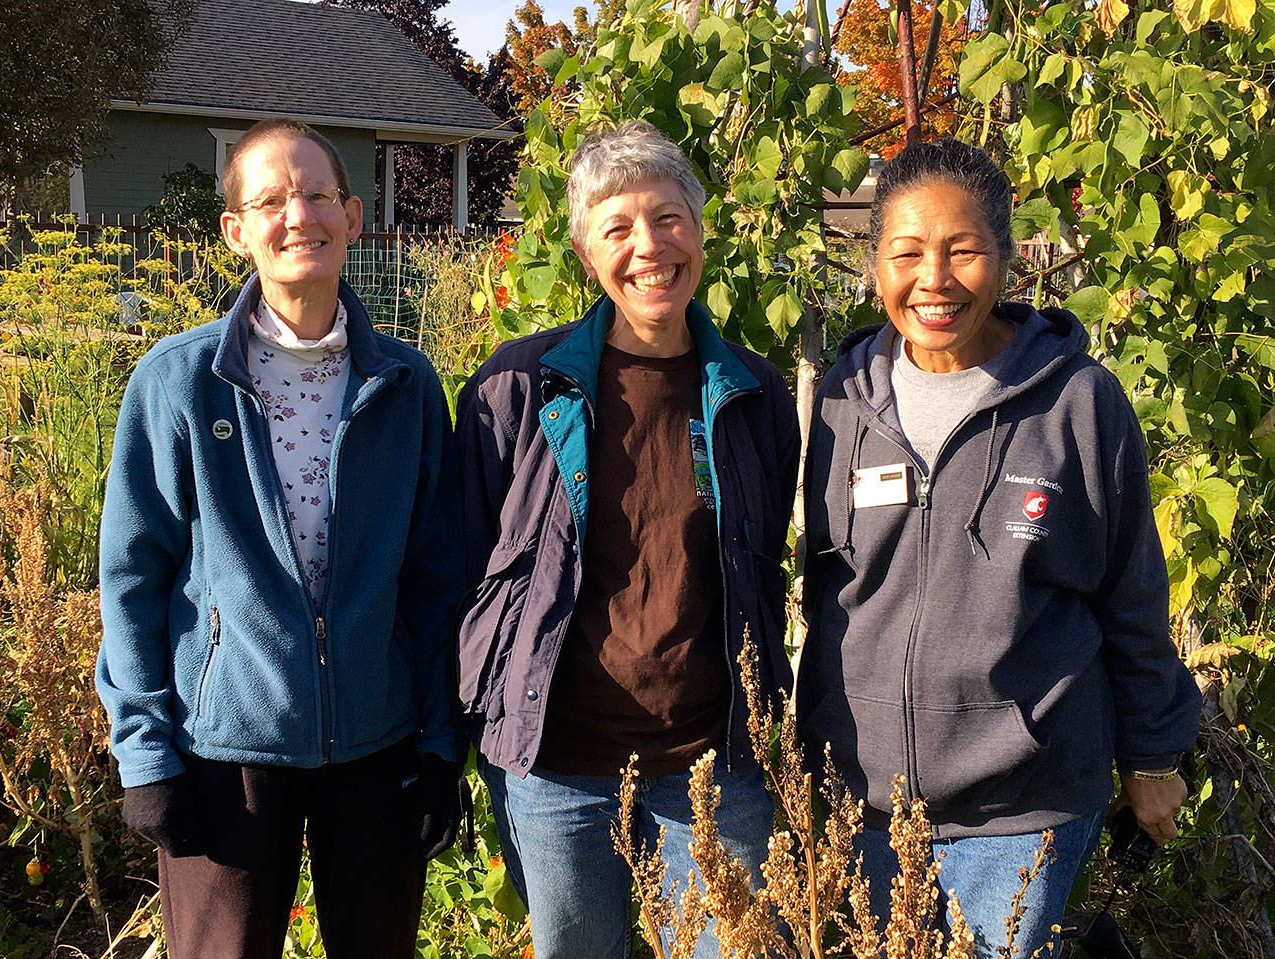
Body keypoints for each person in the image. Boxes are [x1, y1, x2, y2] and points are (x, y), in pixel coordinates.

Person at [796, 138, 1201, 956]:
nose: (934, 279)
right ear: (875, 264)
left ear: (1008, 258)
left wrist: (1154, 754)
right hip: (864, 802)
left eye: (963, 250)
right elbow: (828, 586)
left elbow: (1131, 590)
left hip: (1027, 803)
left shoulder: (1078, 401)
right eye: (908, 252)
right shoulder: (843, 399)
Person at [96, 118, 464, 959]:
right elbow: (131, 575)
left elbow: (435, 577)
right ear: (236, 231)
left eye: (318, 195)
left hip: (378, 744)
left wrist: (440, 744)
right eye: (271, 200)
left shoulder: (405, 384)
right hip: (224, 751)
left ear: (353, 217)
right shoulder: (179, 382)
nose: (299, 215)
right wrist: (145, 754)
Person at [455, 119, 799, 959]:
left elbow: (762, 567)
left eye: (668, 217)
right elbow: (462, 571)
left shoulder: (754, 394)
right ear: (586, 255)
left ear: (700, 231)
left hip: (713, 761)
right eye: (618, 228)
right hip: (556, 764)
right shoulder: (518, 388)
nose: (649, 246)